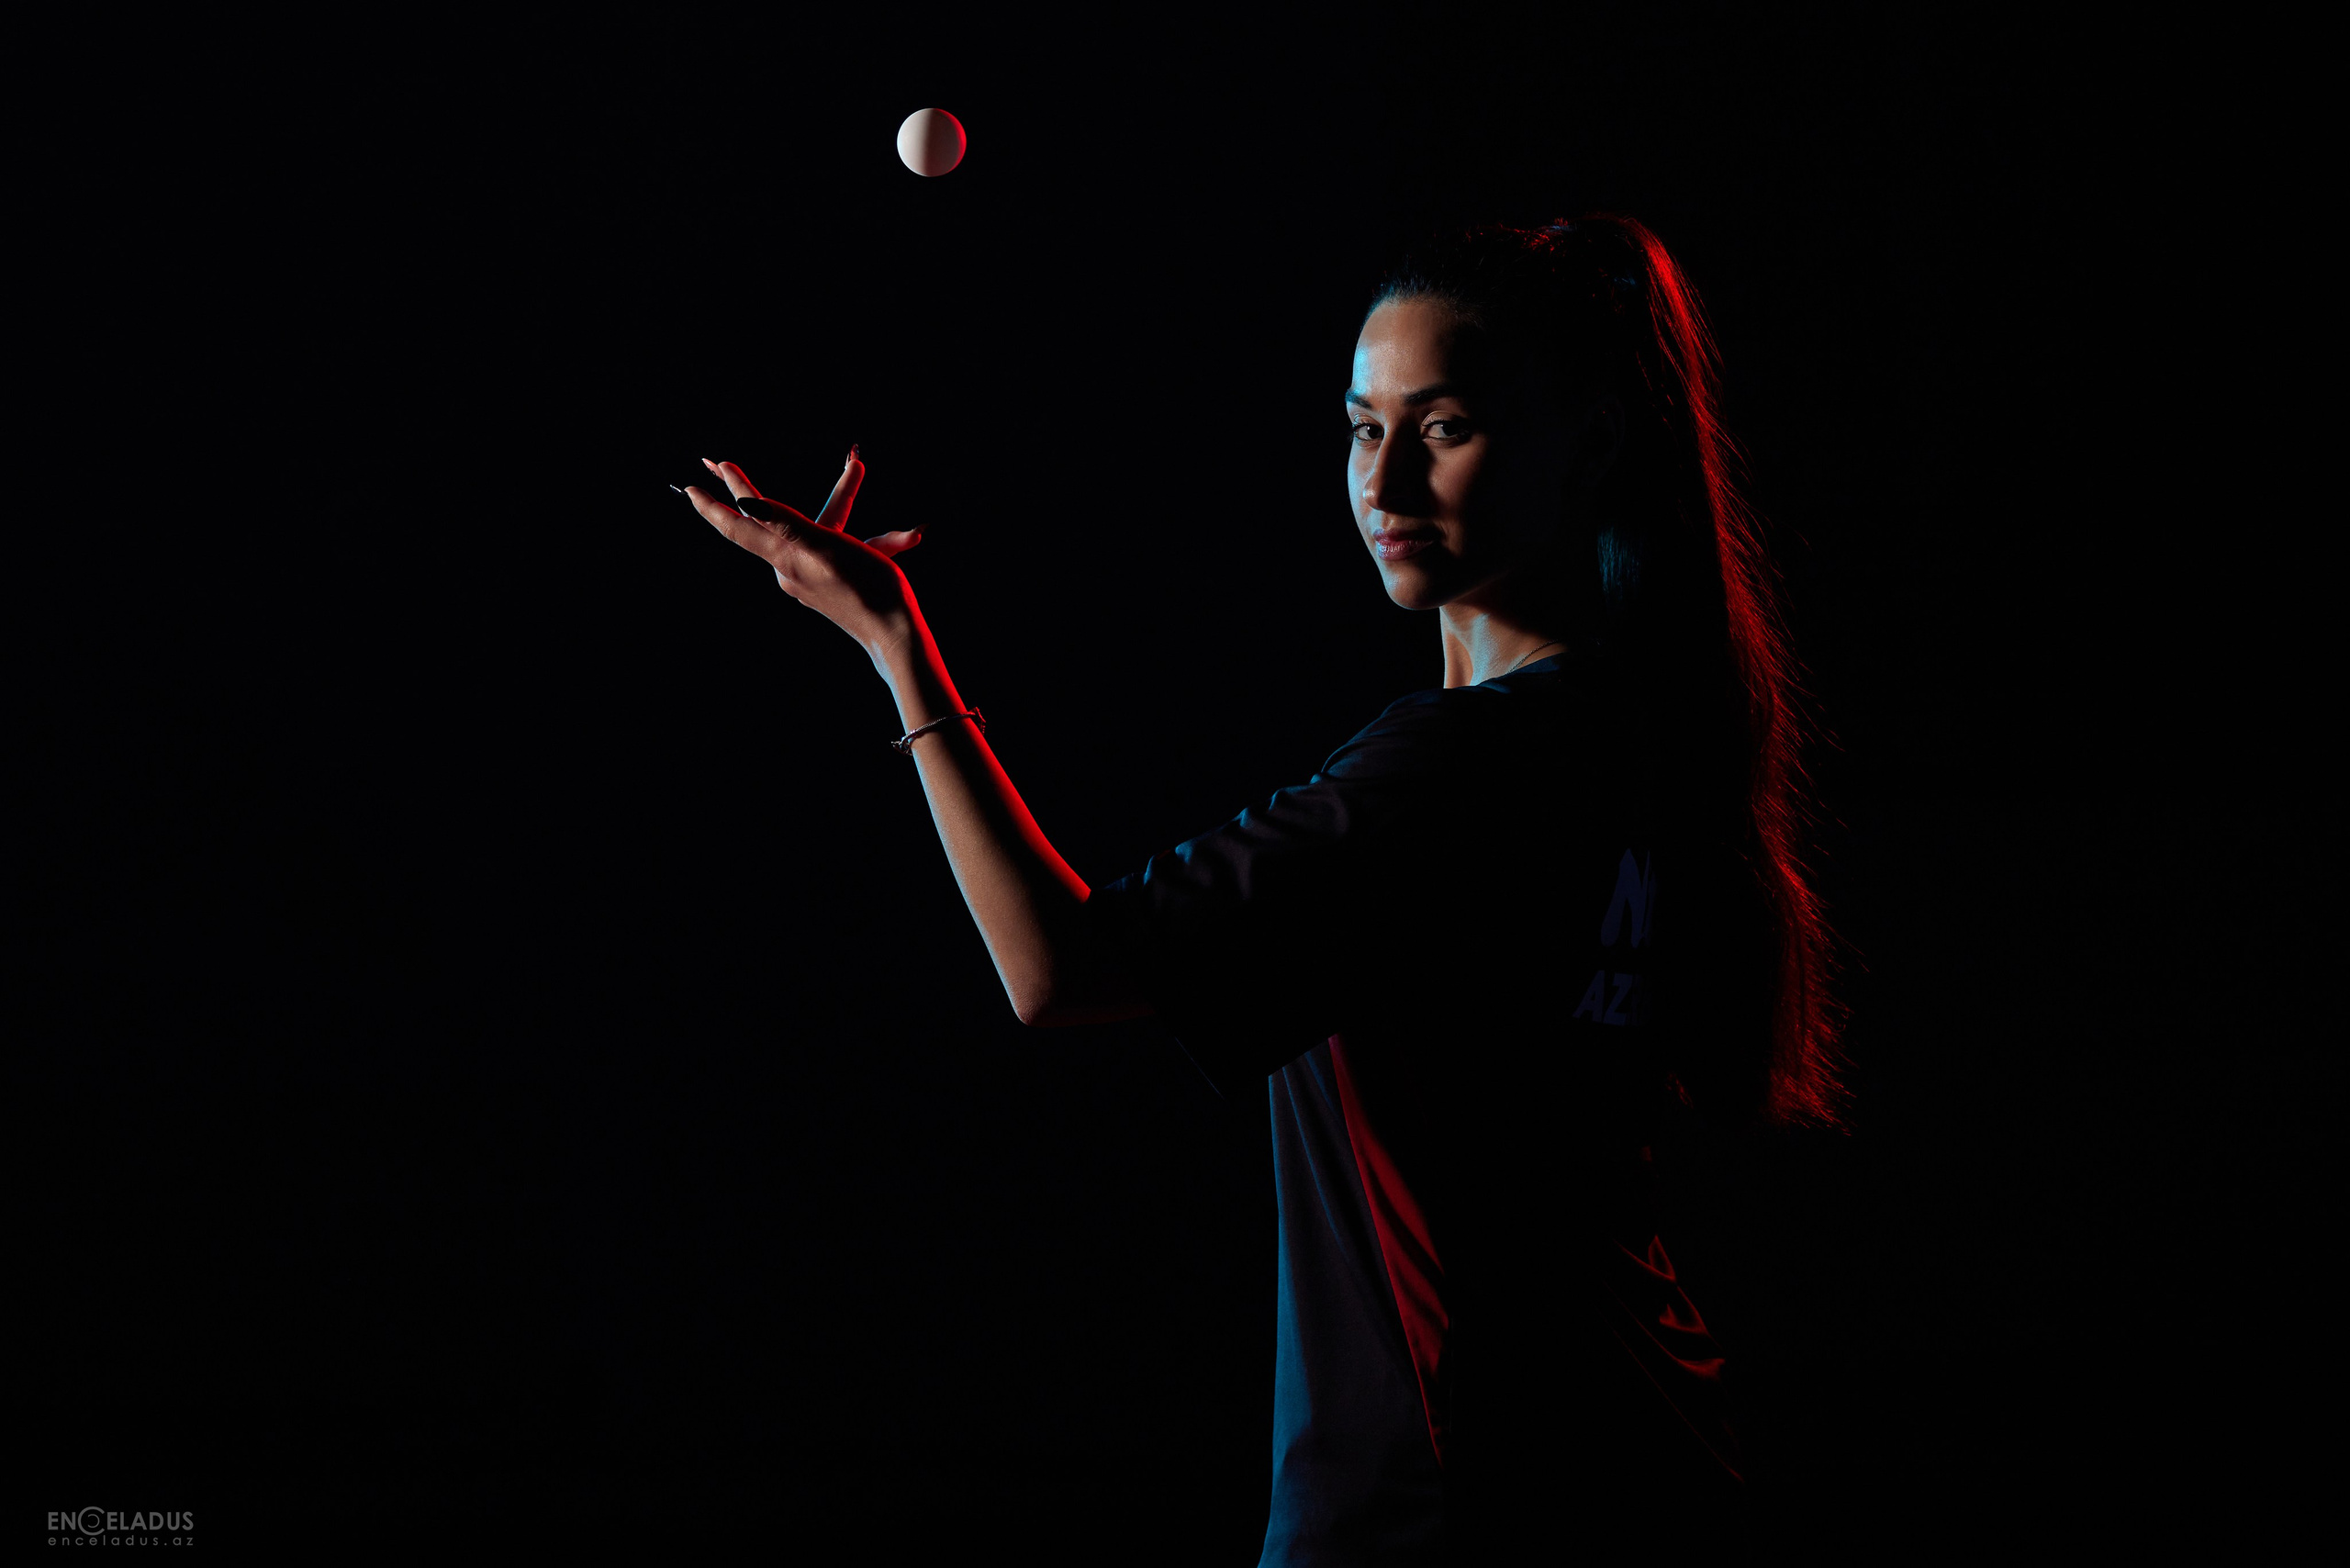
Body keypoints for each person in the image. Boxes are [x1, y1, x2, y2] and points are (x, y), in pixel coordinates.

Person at [679, 215, 1841, 1562]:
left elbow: (1058, 971)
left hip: (1443, 1510)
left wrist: (894, 642)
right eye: (1362, 428)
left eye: (1445, 426)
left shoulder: (1455, 772)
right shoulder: (1640, 739)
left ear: (1584, 440)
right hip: (1656, 1475)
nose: (1386, 479)